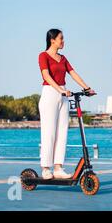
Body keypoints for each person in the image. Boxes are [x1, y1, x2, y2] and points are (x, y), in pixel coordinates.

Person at [38, 29, 95, 179]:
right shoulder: (43, 56)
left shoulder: (63, 58)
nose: (63, 41)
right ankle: (45, 168)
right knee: (49, 132)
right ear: (52, 40)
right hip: (50, 92)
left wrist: (87, 88)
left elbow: (73, 73)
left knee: (62, 132)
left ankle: (58, 168)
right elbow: (46, 75)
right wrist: (59, 90)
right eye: (61, 38)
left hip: (63, 94)